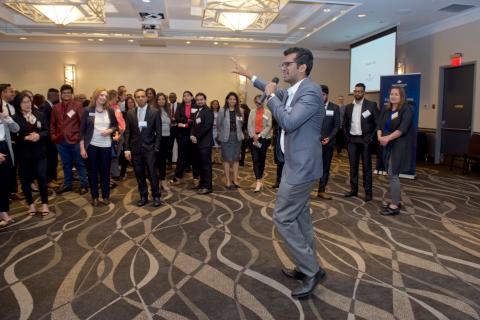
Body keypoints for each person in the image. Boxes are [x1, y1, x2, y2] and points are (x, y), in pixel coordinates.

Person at [232, 47, 327, 299]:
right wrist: (250, 76)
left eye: (287, 64)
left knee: (283, 218)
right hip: (295, 164)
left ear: (302, 67)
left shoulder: (310, 91)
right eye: (282, 64)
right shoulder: (294, 90)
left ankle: (311, 270)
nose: (282, 68)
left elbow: (289, 122)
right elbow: (270, 89)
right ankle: (308, 265)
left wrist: (272, 98)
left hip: (302, 167)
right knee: (299, 218)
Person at [377, 86, 413, 216]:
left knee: (393, 175)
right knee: (390, 174)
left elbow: (402, 129)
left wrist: (387, 138)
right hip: (386, 144)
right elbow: (379, 125)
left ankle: (395, 205)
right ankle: (395, 200)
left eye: (396, 94)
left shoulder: (406, 109)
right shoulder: (387, 110)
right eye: (391, 94)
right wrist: (380, 137)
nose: (393, 96)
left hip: (398, 145)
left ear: (401, 96)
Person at [12, 92, 50, 216]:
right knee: (25, 180)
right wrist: (25, 138)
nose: (27, 104)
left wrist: (38, 135)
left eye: (29, 101)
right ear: (18, 104)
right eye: (24, 102)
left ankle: (45, 204)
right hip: (23, 154)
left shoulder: (39, 115)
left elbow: (46, 131)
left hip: (39, 152)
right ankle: (31, 205)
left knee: (42, 177)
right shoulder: (14, 118)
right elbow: (12, 136)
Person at [80, 88, 118, 206]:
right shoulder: (87, 110)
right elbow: (82, 131)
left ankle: (106, 196)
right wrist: (82, 148)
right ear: (96, 96)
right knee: (92, 172)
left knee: (105, 172)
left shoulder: (110, 111)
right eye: (101, 95)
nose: (104, 97)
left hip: (106, 146)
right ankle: (95, 196)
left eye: (106, 96)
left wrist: (110, 130)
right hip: (91, 145)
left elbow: (115, 125)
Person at [124, 89, 162, 207]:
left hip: (150, 149)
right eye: (138, 97)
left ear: (146, 98)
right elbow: (127, 133)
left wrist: (156, 148)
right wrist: (127, 149)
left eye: (142, 96)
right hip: (135, 150)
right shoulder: (130, 113)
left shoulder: (154, 112)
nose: (140, 98)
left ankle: (156, 196)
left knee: (152, 174)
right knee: (139, 174)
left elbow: (159, 132)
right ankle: (143, 196)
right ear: (135, 99)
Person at [50, 84, 89, 195]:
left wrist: (81, 139)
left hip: (75, 140)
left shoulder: (78, 105)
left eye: (68, 92)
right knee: (65, 164)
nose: (66, 94)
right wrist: (53, 136)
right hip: (61, 141)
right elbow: (52, 124)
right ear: (61, 94)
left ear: (71, 94)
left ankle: (84, 185)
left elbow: (82, 123)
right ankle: (67, 185)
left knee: (80, 164)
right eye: (64, 93)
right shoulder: (55, 107)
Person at [343, 83, 378, 202]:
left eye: (360, 91)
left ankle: (368, 192)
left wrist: (371, 138)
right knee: (353, 167)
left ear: (364, 92)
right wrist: (347, 137)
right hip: (352, 140)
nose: (357, 93)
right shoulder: (348, 107)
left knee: (367, 167)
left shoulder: (371, 105)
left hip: (365, 140)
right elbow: (345, 124)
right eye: (356, 91)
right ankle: (354, 190)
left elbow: (377, 124)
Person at [216, 92, 244, 189]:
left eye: (234, 99)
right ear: (227, 100)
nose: (232, 101)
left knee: (236, 159)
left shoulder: (240, 110)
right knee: (226, 159)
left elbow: (241, 123)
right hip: (225, 138)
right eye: (230, 99)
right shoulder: (222, 110)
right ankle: (228, 180)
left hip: (237, 138)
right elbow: (218, 124)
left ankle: (235, 179)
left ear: (237, 101)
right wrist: (222, 133)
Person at [317, 85, 340, 199]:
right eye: (319, 95)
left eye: (323, 95)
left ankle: (321, 190)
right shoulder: (314, 107)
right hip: (314, 143)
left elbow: (336, 126)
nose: (321, 97)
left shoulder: (334, 108)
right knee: (310, 167)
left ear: (327, 95)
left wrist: (329, 138)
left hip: (328, 143)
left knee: (325, 167)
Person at [170, 91, 197, 185]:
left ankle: (196, 178)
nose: (186, 97)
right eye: (184, 96)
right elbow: (176, 118)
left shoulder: (196, 106)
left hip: (194, 133)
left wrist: (185, 124)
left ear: (192, 97)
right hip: (182, 134)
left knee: (195, 156)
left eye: (188, 96)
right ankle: (177, 177)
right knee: (181, 156)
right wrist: (188, 121)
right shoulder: (180, 106)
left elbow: (196, 120)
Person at [0, 97, 20, 227]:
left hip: (4, 147)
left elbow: (16, 129)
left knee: (5, 183)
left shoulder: (3, 114)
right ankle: (3, 214)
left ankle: (3, 212)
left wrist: (6, 118)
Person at [190, 92, 214, 194]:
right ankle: (202, 183)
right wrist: (191, 135)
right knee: (199, 165)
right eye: (198, 100)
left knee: (206, 165)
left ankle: (208, 186)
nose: (199, 101)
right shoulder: (196, 112)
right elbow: (193, 126)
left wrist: (196, 137)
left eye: (201, 99)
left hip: (205, 143)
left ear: (205, 100)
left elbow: (207, 127)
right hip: (197, 143)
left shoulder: (208, 111)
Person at [247, 94, 272, 192]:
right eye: (256, 102)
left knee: (261, 159)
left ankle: (260, 178)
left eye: (260, 101)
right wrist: (253, 135)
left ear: (263, 101)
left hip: (264, 138)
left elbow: (269, 126)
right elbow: (249, 125)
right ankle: (258, 180)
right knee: (255, 159)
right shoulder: (252, 112)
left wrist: (260, 135)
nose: (258, 103)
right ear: (254, 102)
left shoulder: (268, 112)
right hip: (253, 138)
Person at [155, 93, 171, 191]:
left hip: (167, 137)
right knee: (158, 161)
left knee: (163, 161)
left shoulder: (166, 110)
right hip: (158, 138)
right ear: (156, 101)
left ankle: (162, 180)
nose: (161, 101)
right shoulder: (154, 111)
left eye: (163, 99)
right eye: (159, 99)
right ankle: (161, 180)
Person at [119, 96, 136, 178]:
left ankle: (137, 171)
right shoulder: (123, 113)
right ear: (126, 104)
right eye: (128, 102)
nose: (130, 104)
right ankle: (122, 172)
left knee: (136, 155)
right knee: (124, 154)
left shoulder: (137, 112)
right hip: (126, 136)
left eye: (132, 102)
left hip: (135, 136)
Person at [210, 99, 221, 164]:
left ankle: (219, 159)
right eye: (214, 104)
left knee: (220, 146)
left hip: (219, 131)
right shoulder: (209, 112)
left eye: (216, 104)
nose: (215, 105)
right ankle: (212, 158)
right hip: (212, 130)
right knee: (213, 146)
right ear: (211, 105)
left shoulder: (220, 112)